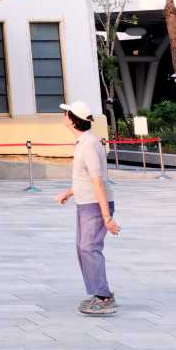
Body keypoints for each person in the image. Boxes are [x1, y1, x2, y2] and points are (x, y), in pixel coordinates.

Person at [54, 102, 120, 316]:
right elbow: (84, 178)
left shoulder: (89, 144)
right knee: (82, 248)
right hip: (86, 203)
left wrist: (107, 217)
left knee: (89, 248)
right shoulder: (84, 141)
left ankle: (104, 297)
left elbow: (97, 181)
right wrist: (69, 192)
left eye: (66, 113)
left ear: (73, 119)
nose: (63, 116)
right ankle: (99, 293)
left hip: (95, 204)